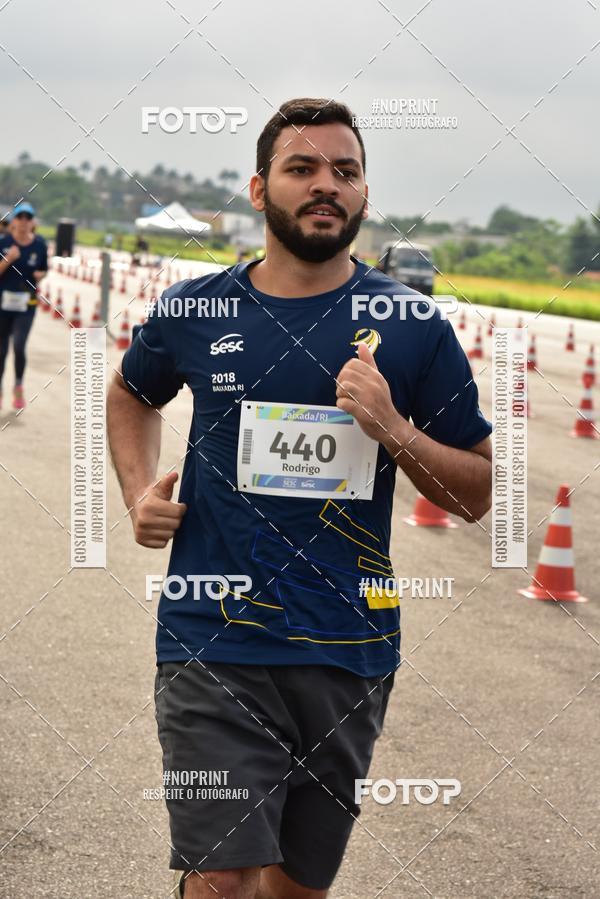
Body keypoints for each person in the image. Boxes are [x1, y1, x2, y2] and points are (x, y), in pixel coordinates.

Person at [107, 98, 492, 899]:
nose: (327, 185)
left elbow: (478, 493)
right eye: (303, 168)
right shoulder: (196, 307)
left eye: (345, 171)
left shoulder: (411, 324)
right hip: (211, 637)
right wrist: (139, 490)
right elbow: (130, 394)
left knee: (295, 888)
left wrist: (392, 427)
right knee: (222, 876)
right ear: (259, 189)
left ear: (362, 193)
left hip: (346, 646)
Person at [0, 202, 48, 410]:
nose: (24, 221)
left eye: (28, 218)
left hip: (27, 304)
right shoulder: (4, 243)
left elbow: (44, 269)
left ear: (33, 222)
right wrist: (8, 259)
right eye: (20, 217)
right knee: (1, 351)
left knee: (19, 346)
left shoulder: (39, 245)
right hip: (3, 305)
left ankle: (18, 385)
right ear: (14, 220)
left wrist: (41, 274)